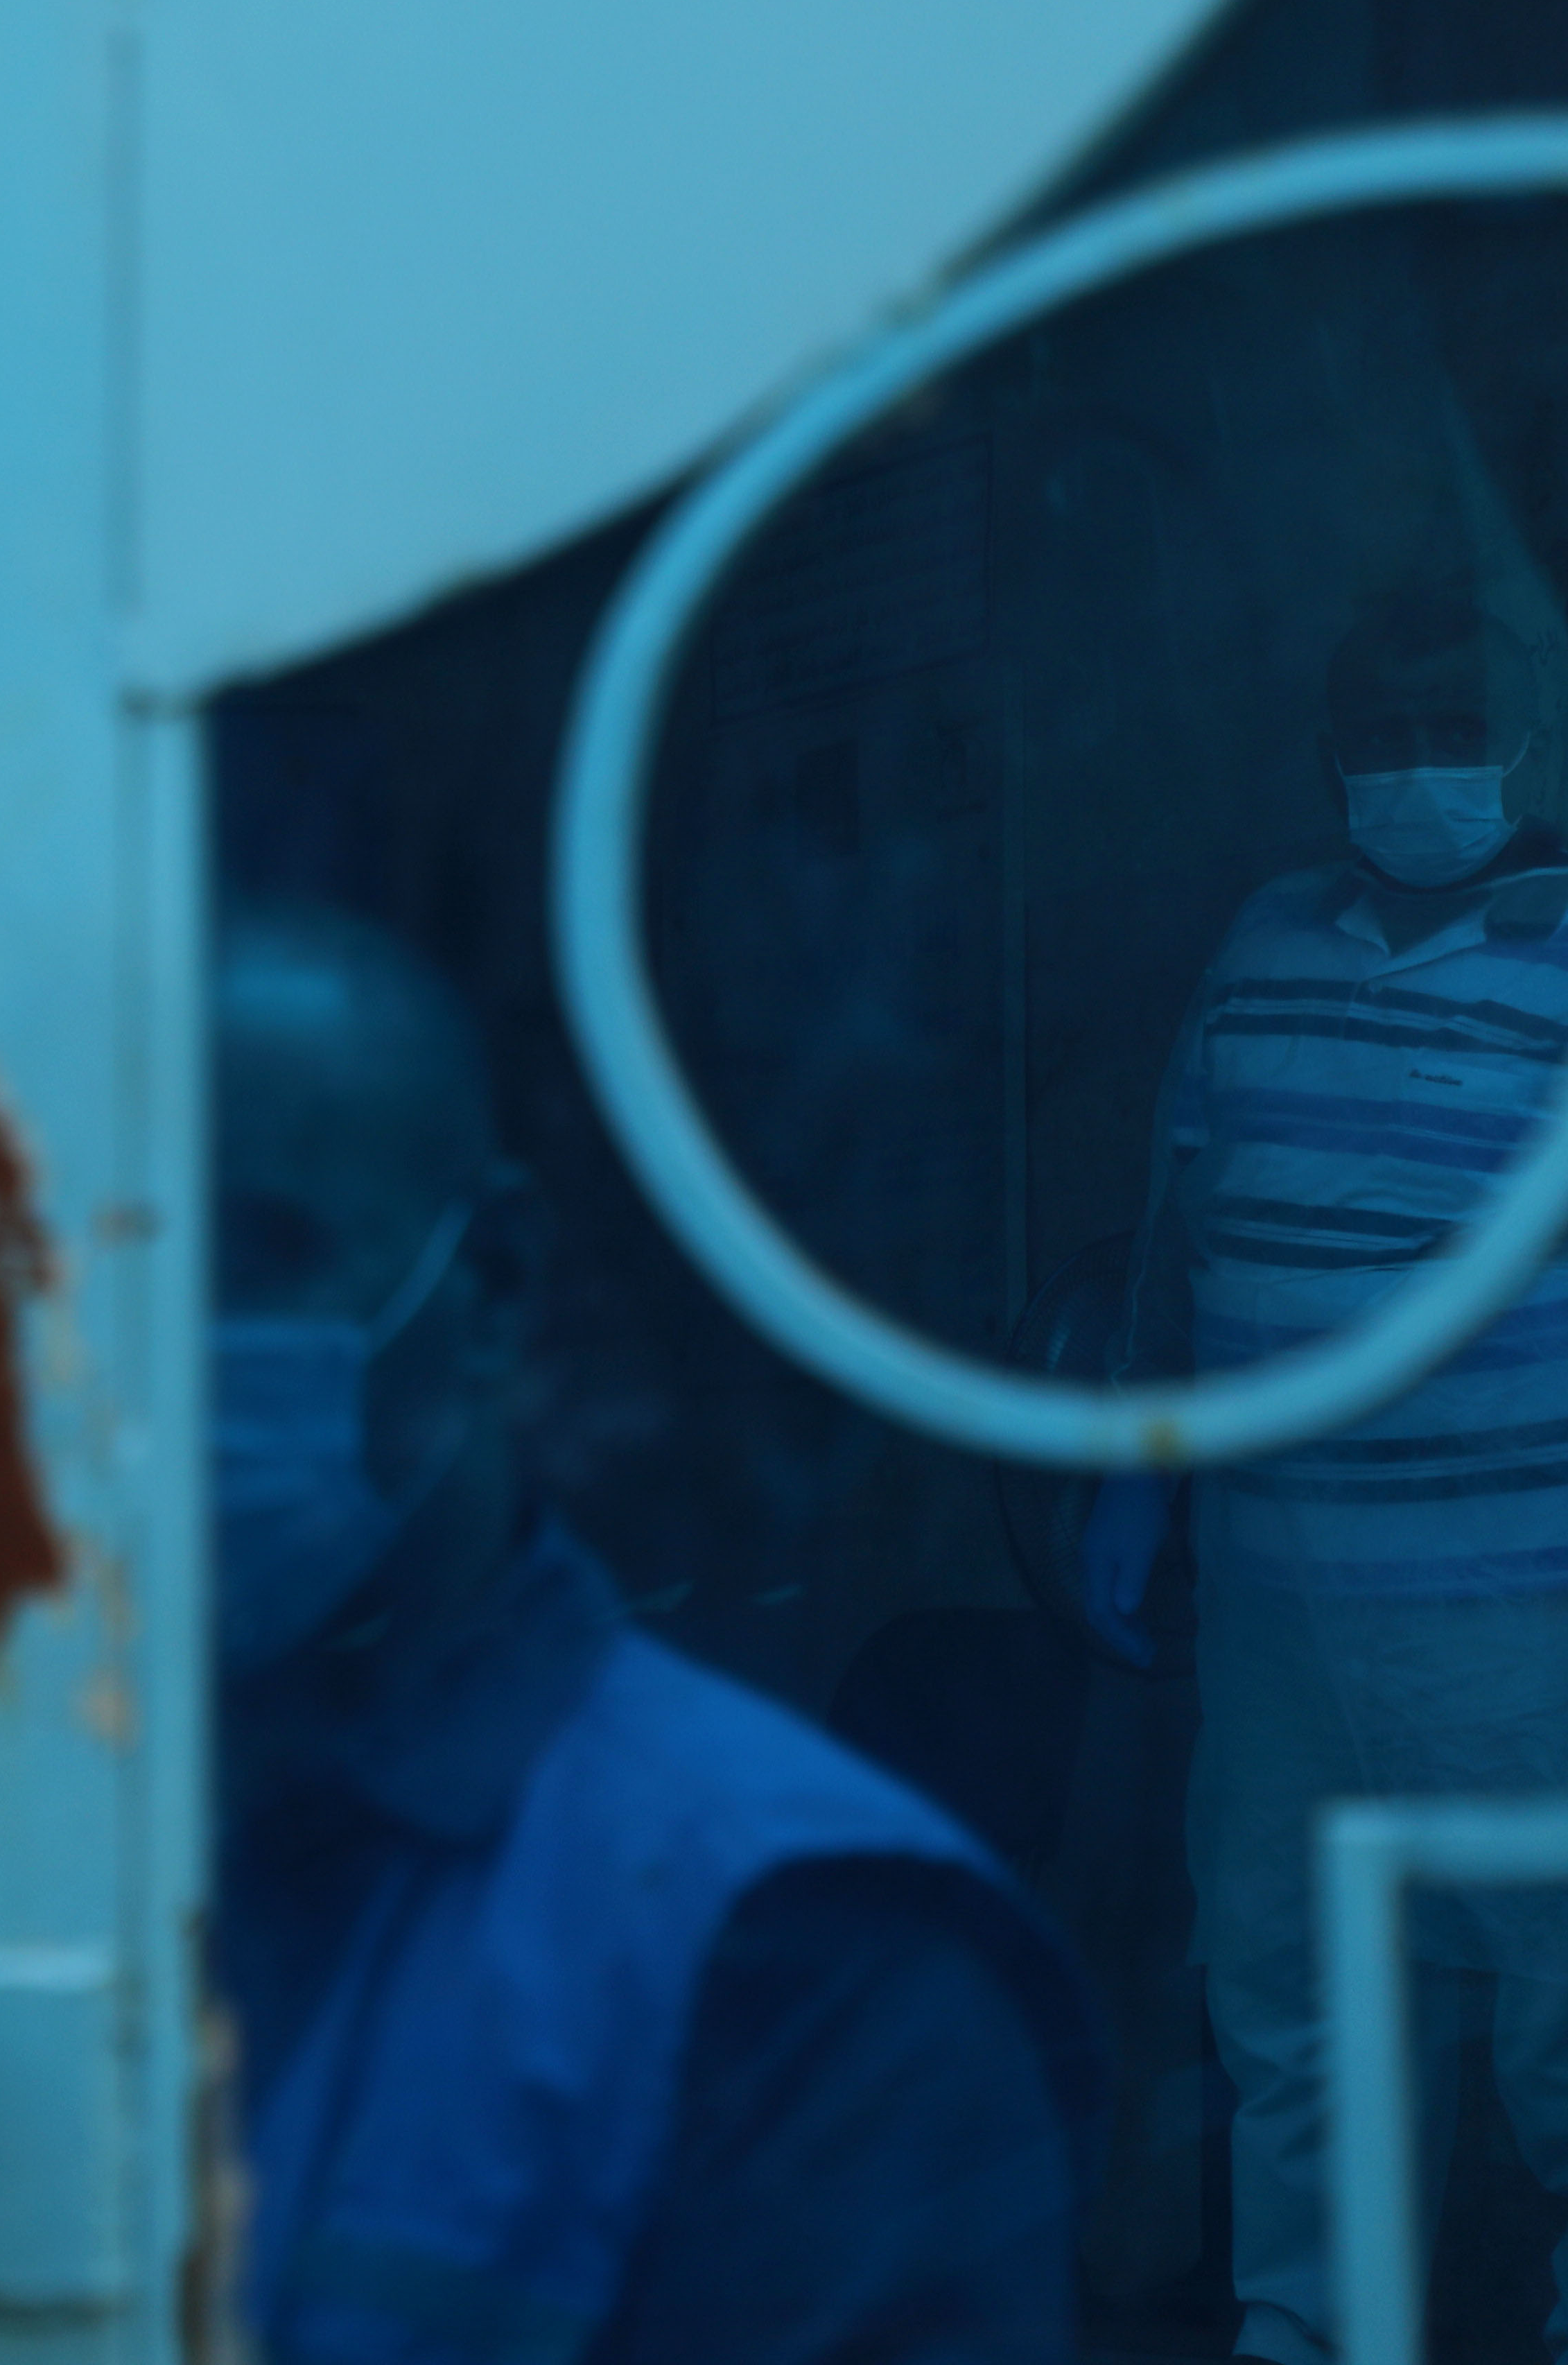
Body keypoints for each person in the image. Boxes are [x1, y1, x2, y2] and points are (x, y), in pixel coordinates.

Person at [216, 900, 1098, 2364]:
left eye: (260, 1256)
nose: (173, 1339)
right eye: (100, 1261)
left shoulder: (798, 1949)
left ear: (491, 1287)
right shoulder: (18, 1831)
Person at [1084, 577, 1568, 2365]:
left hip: (1522, 1614)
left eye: (1452, 737)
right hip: (1280, 1607)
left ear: (1524, 745)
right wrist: (1130, 1473)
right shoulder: (1264, 940)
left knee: (1556, 2008)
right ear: (1326, 757)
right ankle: (1300, 2330)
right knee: (1295, 2007)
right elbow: (1172, 1219)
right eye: (1381, 740)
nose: (1416, 772)